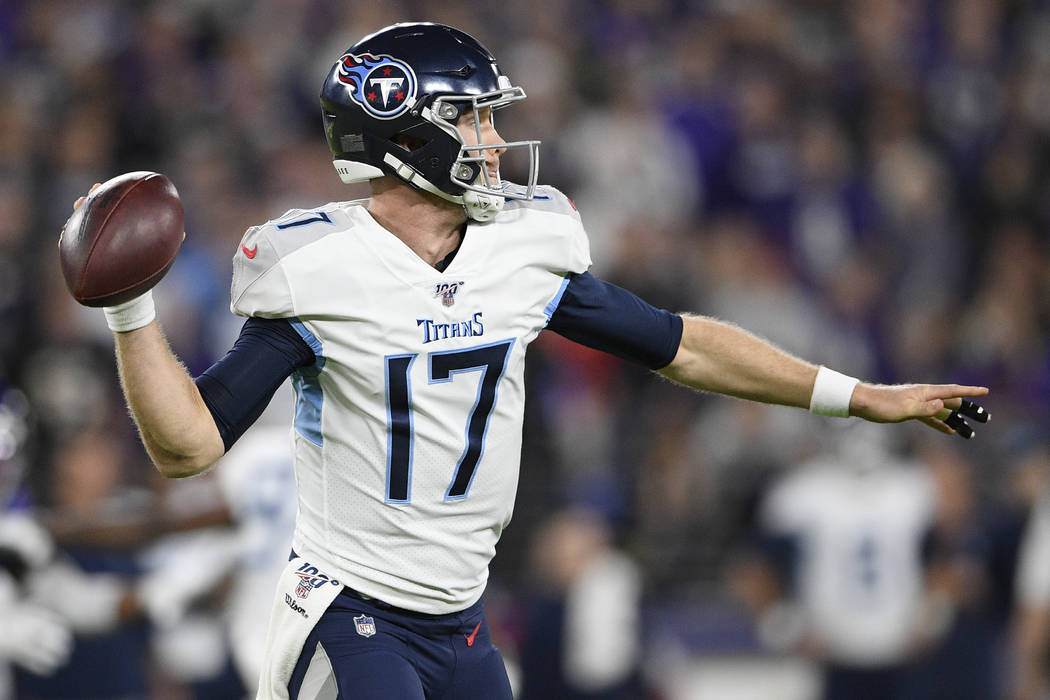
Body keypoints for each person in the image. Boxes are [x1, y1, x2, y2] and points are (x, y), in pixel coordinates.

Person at [64, 22, 990, 700]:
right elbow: (189, 446)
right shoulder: (314, 269)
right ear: (408, 131)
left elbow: (681, 344)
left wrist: (859, 397)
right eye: (471, 119)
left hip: (463, 620)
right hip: (352, 612)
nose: (495, 141)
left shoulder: (525, 244)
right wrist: (131, 310)